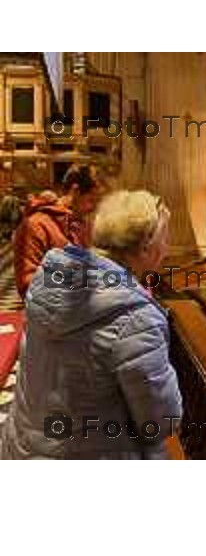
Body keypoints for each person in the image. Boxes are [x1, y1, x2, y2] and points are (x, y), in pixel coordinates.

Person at [1, 190, 182, 459]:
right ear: (145, 246)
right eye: (165, 239)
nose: (167, 249)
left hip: (23, 448)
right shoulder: (135, 319)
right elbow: (161, 422)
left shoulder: (47, 280)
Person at [13, 164, 101, 299]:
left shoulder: (82, 225)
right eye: (91, 200)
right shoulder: (36, 225)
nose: (93, 208)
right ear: (75, 191)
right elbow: (27, 283)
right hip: (49, 313)